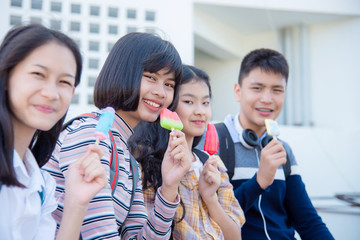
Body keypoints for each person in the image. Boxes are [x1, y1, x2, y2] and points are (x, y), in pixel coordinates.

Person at [43, 32, 192, 239]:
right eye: (150, 77)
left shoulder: (127, 158)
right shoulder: (92, 135)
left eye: (169, 84)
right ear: (123, 73)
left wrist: (169, 187)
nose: (161, 92)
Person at [197, 48, 334, 239]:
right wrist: (259, 181)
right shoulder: (211, 140)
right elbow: (206, 215)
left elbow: (307, 221)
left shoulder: (283, 150)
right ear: (238, 91)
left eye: (277, 90)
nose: (267, 99)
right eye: (257, 88)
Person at [0, 23, 107, 240]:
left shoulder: (41, 184)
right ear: (6, 76)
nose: (51, 93)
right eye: (38, 74)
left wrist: (77, 202)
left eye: (64, 82)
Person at [128, 65, 245, 239]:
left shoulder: (214, 164)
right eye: (188, 102)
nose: (200, 111)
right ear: (169, 106)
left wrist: (210, 198)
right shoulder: (147, 163)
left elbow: (235, 236)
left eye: (205, 102)